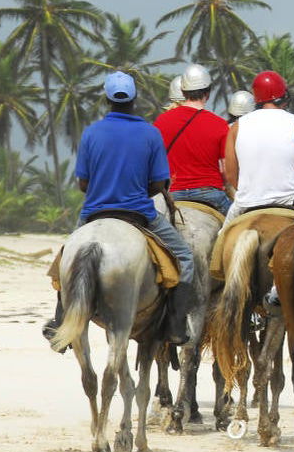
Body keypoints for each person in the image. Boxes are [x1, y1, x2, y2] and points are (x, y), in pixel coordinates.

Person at [42, 71, 196, 348]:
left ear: (107, 99)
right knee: (184, 257)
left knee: (65, 259)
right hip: (139, 213)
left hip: (94, 212)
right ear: (134, 99)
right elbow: (159, 183)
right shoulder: (150, 133)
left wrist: (103, 192)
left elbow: (83, 183)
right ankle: (175, 324)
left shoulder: (91, 133)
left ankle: (60, 320)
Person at [221, 71, 294, 226]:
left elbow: (230, 174)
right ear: (283, 97)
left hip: (246, 203)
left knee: (219, 243)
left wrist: (251, 191)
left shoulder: (236, 127)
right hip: (290, 201)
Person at [154, 64, 232, 214]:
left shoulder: (161, 122)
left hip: (173, 194)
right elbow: (226, 170)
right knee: (237, 227)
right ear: (208, 93)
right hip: (211, 194)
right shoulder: (220, 124)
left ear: (183, 92)